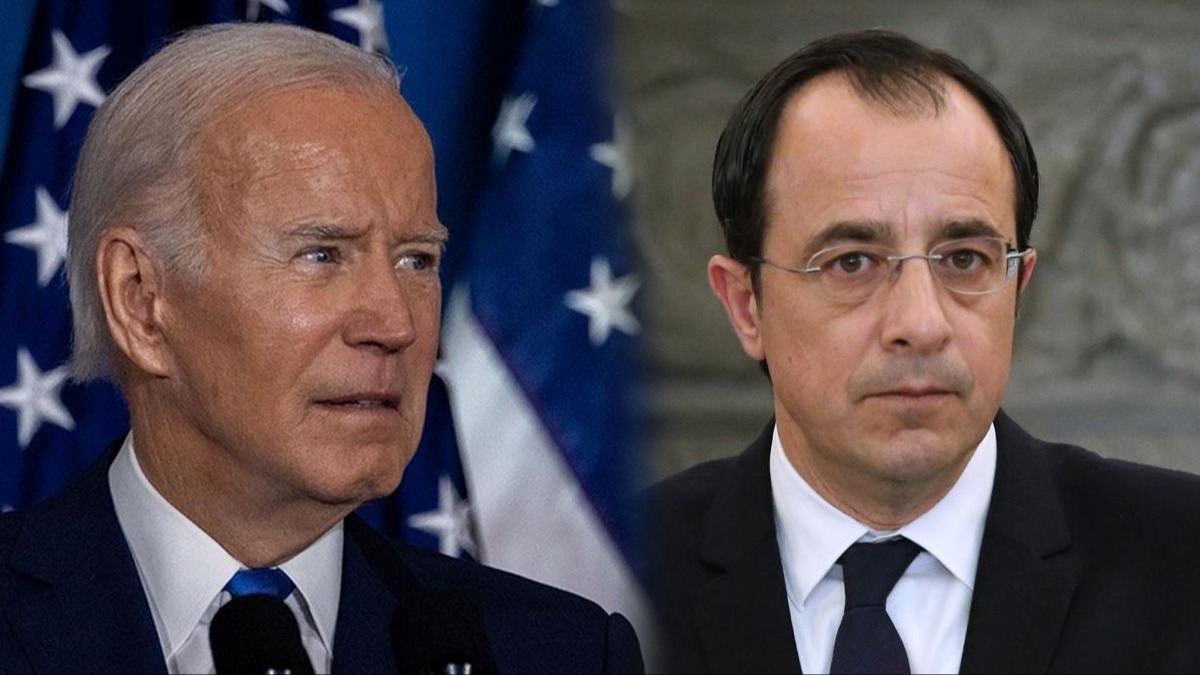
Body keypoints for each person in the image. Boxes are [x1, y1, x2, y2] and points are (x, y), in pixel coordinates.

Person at [0, 22, 641, 674]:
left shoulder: (559, 653)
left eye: (417, 259)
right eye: (322, 254)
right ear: (141, 299)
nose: (396, 324)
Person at [645, 29, 1200, 674]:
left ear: (1017, 289)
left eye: (964, 259)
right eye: (852, 262)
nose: (920, 323)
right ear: (747, 305)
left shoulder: (1184, 563)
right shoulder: (609, 572)